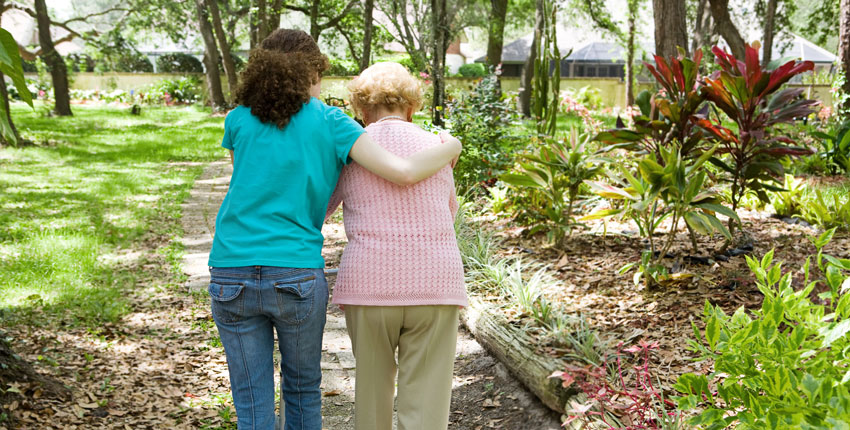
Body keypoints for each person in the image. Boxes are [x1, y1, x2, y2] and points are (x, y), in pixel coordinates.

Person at [207, 30, 461, 430]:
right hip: (294, 269)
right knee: (303, 389)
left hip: (231, 266)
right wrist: (450, 148)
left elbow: (251, 186)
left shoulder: (237, 119)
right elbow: (406, 174)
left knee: (251, 398)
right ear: (311, 72)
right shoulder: (331, 123)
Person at [325, 62, 467, 430]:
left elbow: (321, 209)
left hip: (369, 285)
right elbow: (448, 212)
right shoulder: (439, 148)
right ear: (411, 106)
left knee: (371, 399)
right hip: (436, 284)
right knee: (426, 407)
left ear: (361, 108)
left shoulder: (350, 151)